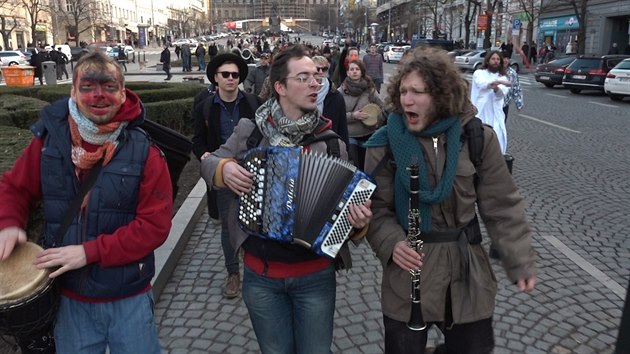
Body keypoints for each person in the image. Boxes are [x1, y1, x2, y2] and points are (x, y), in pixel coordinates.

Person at [363, 46, 536, 354]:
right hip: (409, 275)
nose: (407, 100)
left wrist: (518, 258)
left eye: (418, 92)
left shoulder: (475, 137)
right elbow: (376, 209)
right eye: (403, 91)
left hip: (466, 272)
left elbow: (502, 204)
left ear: (441, 96)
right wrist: (392, 244)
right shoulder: (385, 142)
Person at [199, 45, 372, 354]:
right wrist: (224, 170)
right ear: (280, 87)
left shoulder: (332, 144)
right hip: (261, 277)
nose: (315, 83)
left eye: (316, 76)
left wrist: (358, 222)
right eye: (303, 77)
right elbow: (208, 162)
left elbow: (346, 214)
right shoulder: (250, 131)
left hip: (315, 276)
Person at [0, 50, 172, 353]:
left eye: (108, 86)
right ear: (73, 91)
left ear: (122, 92)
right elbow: (14, 187)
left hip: (128, 297)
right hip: (69, 299)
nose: (98, 95)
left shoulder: (146, 152)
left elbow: (154, 227)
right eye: (88, 86)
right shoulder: (49, 142)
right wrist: (9, 223)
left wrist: (89, 252)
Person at [191, 53, 262, 299]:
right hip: (223, 173)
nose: (231, 79)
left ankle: (258, 268)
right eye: (226, 75)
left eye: (235, 75)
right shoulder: (205, 107)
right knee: (228, 227)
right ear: (216, 78)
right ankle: (233, 273)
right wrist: (205, 157)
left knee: (257, 221)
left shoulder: (254, 102)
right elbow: (197, 140)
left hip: (254, 172)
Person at [339, 59, 385, 169]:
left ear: (361, 72)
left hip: (369, 133)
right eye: (352, 69)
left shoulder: (370, 89)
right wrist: (353, 116)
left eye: (357, 69)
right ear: (347, 73)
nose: (355, 71)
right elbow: (337, 115)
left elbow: (383, 106)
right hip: (351, 135)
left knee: (368, 167)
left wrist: (376, 117)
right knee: (355, 167)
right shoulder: (340, 91)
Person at [470, 50, 511, 155]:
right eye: (493, 59)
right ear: (488, 61)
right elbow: (481, 84)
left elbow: (501, 94)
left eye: (498, 59)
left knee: (497, 138)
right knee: (479, 139)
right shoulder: (479, 73)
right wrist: (493, 84)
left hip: (495, 114)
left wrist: (496, 88)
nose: (495, 61)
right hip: (480, 112)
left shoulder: (503, 77)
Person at [502, 53, 524, 123]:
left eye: (507, 59)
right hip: (493, 103)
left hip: (505, 104)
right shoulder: (495, 70)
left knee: (502, 123)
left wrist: (519, 104)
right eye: (503, 58)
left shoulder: (512, 73)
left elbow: (516, 88)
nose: (505, 60)